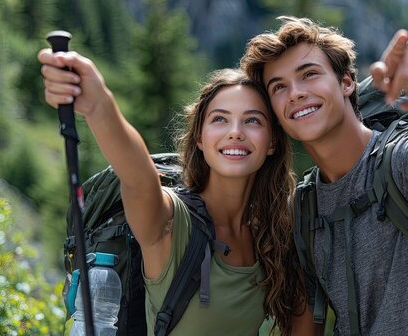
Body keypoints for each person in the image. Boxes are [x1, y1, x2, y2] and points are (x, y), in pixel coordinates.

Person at [38, 48, 307, 335]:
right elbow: (138, 179)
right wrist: (98, 105)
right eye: (220, 119)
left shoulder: (273, 236)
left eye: (253, 120)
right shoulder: (172, 224)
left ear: (272, 143)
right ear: (200, 139)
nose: (235, 132)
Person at [240, 16, 408, 335]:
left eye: (309, 74)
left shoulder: (398, 159)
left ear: (346, 82)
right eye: (279, 87)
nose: (295, 93)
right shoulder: (304, 208)